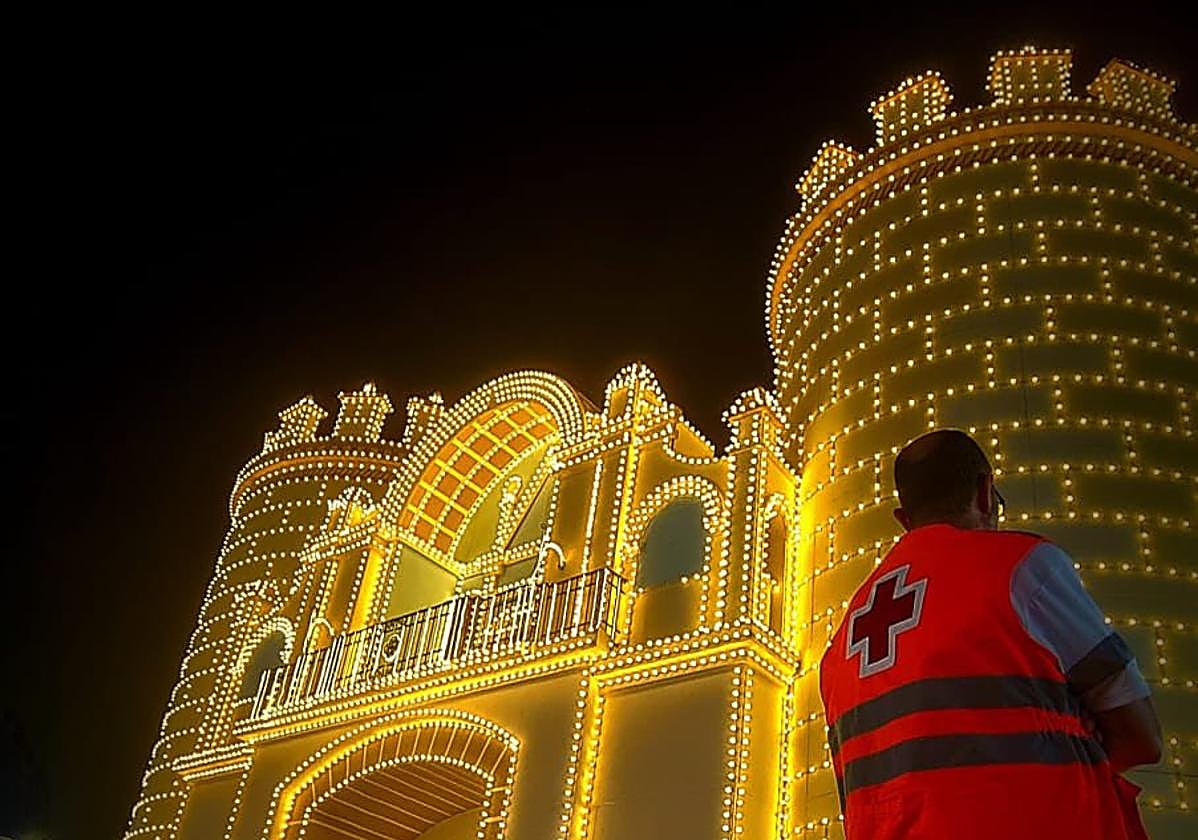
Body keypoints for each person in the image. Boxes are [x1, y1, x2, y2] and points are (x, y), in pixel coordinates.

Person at [819, 429, 1161, 839]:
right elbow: (1142, 738)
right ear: (985, 492)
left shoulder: (839, 648)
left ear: (904, 520)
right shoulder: (1021, 567)